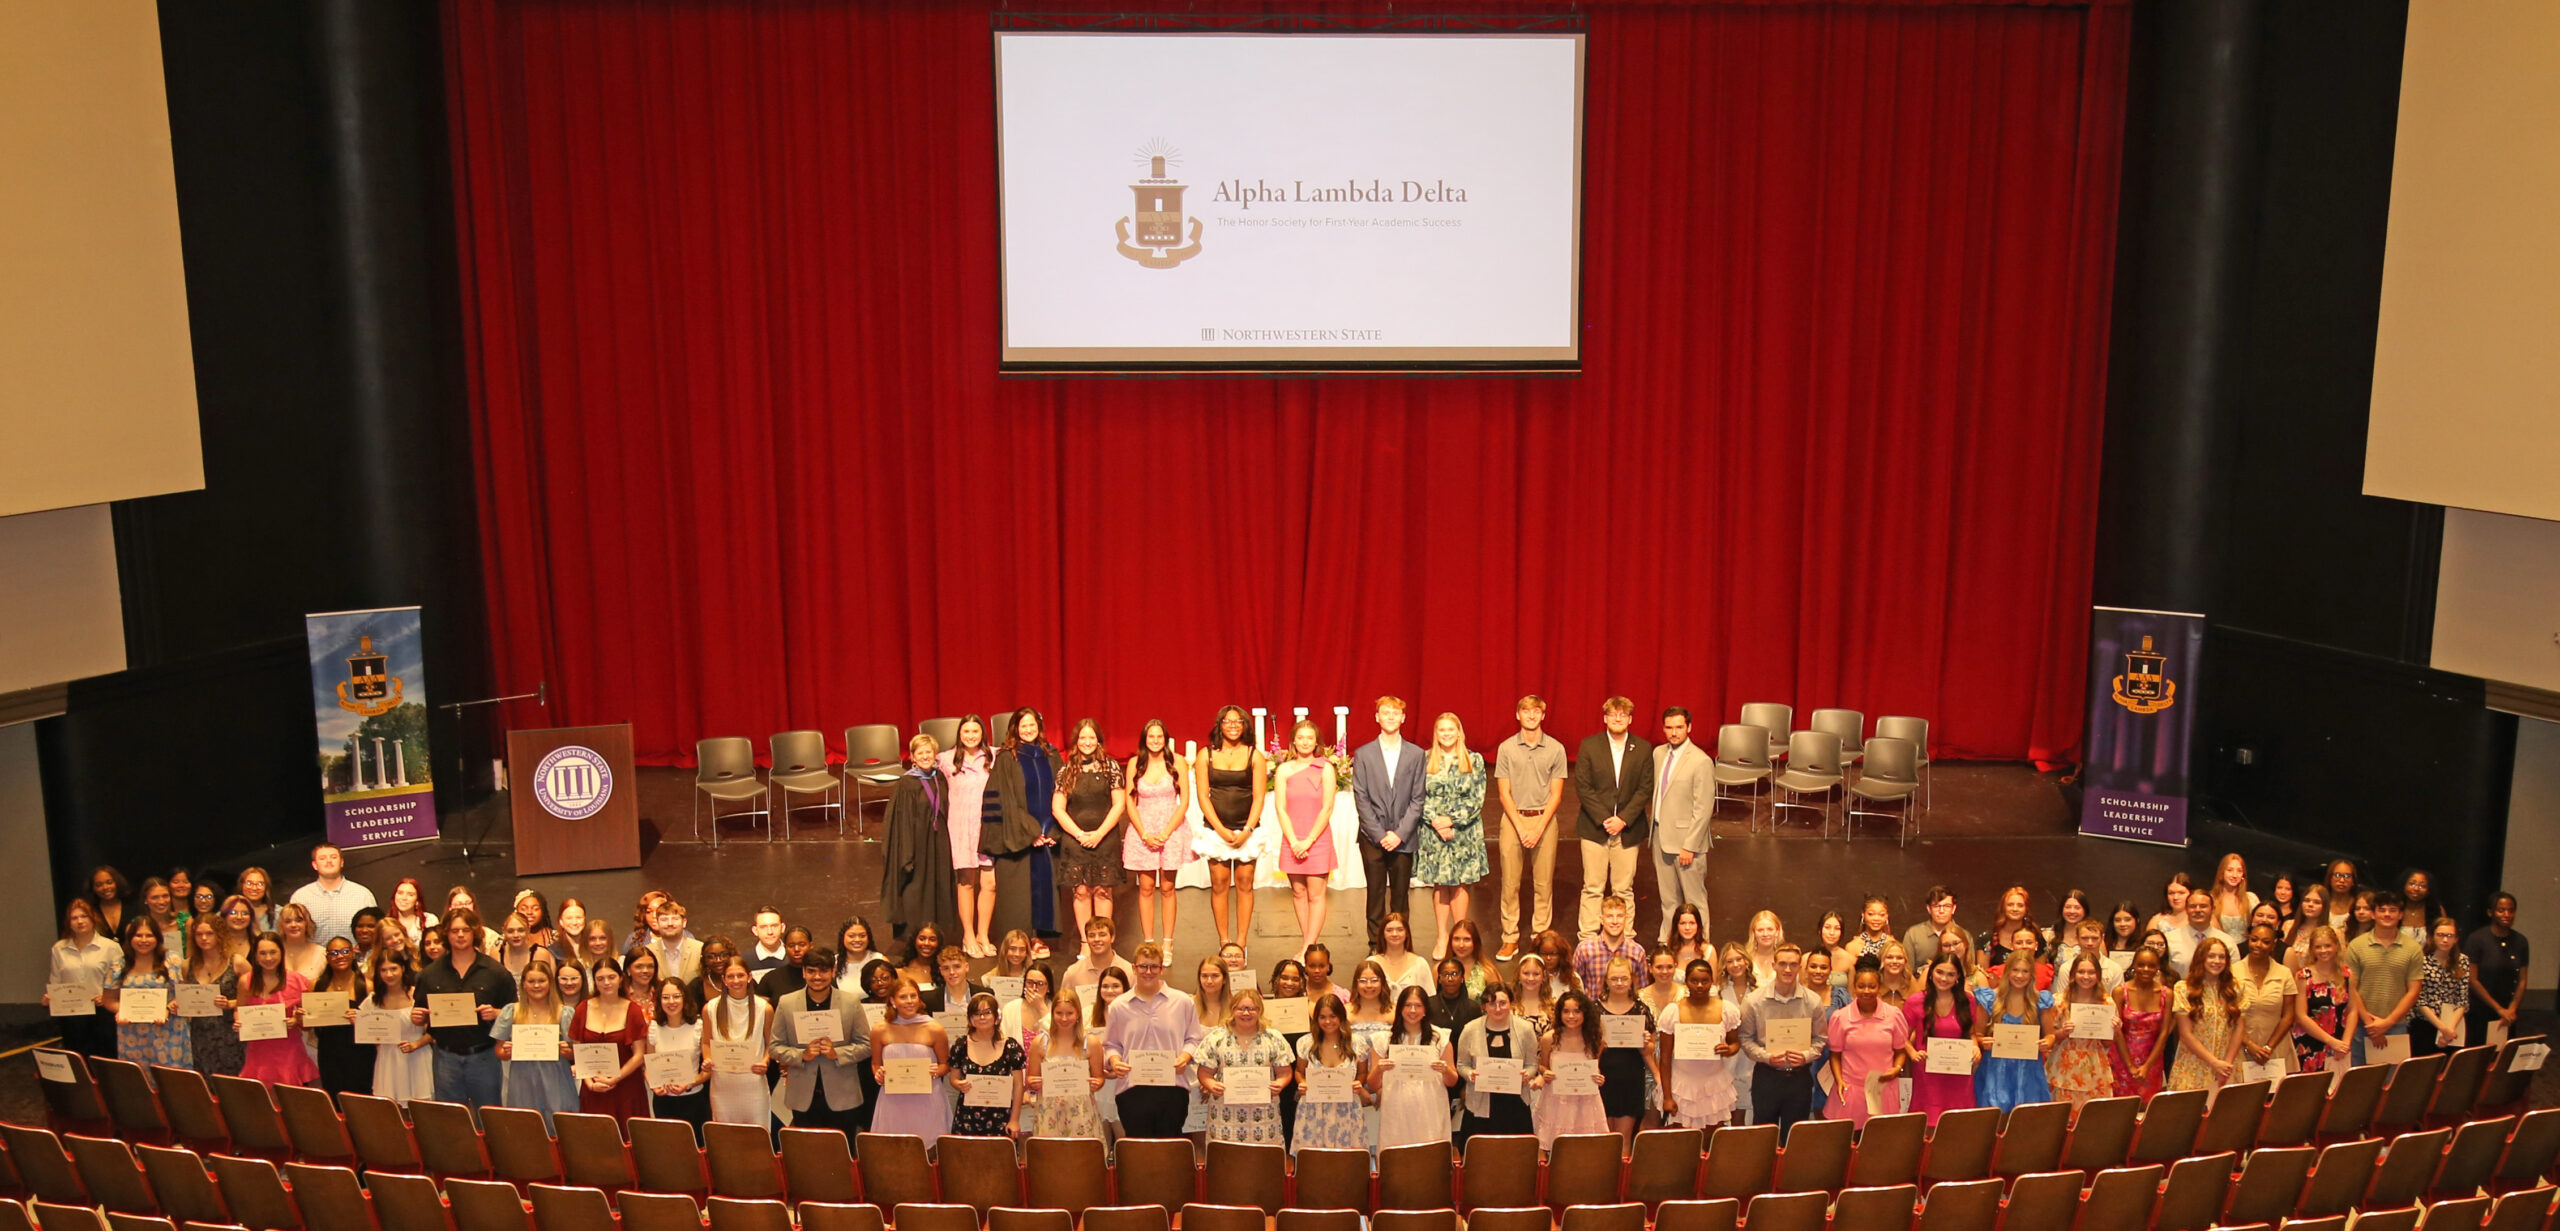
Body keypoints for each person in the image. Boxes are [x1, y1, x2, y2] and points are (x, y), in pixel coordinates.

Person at [1345, 696, 1425, 954]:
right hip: (1372, 838)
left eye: (1395, 713)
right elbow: (1361, 797)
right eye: (1385, 712)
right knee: (1375, 895)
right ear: (1376, 717)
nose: (1390, 717)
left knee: (1401, 896)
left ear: (1403, 718)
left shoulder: (1415, 754)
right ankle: (1375, 946)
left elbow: (1418, 798)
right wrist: (1380, 834)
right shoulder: (1364, 754)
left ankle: (1401, 945)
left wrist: (1399, 834)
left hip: (1404, 838)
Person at [412, 909, 514, 1109]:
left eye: (465, 930)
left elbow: (514, 1011)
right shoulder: (429, 974)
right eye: (454, 930)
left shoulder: (496, 972)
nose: (460, 935)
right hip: (445, 1057)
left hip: (484, 1056)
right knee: (451, 1121)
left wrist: (496, 1013)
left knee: (489, 1116)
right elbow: (420, 1014)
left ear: (474, 932)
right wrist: (417, 1017)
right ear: (446, 934)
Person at [1492, 695, 1569, 961]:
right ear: (1518, 715)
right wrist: (1521, 826)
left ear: (1543, 716)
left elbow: (1556, 795)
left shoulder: (1556, 749)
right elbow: (1504, 793)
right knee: (1510, 883)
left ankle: (1540, 937)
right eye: (1526, 711)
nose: (1531, 716)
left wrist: (1537, 827)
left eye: (1536, 711)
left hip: (1544, 820)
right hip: (1513, 819)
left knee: (1543, 883)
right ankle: (1510, 938)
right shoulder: (1506, 748)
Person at [1098, 942, 1200, 1138]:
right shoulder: (1119, 1006)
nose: (1148, 971)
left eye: (1154, 966)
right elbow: (1111, 1044)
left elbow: (1194, 1039)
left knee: (1170, 1150)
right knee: (1139, 1152)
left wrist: (1185, 1057)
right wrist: (1115, 1061)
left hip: (1173, 1088)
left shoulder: (1183, 1002)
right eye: (1143, 966)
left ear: (1162, 969)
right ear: (1134, 968)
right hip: (1131, 1089)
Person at [1191, 705, 1270, 957]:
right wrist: (1220, 830)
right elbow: (1203, 796)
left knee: (1245, 884)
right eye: (1228, 721)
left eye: (1238, 722)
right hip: (1216, 830)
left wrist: (1247, 830)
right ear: (1220, 725)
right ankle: (1225, 942)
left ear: (1245, 725)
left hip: (1247, 829)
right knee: (1219, 885)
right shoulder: (1206, 755)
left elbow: (1259, 797)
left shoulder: (1254, 756)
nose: (1233, 726)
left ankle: (1241, 943)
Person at [985, 708, 1062, 952]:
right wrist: (1031, 832)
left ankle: (1038, 937)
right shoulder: (1008, 758)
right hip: (1020, 834)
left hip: (1048, 833)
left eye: (1032, 725)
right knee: (1018, 891)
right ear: (1015, 728)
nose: (1028, 729)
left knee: (1044, 886)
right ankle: (1019, 941)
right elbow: (1004, 800)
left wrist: (1052, 831)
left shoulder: (1050, 754)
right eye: (1023, 725)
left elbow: (1063, 793)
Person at [771, 947, 873, 1133]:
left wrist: (838, 1053)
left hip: (842, 1094)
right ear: (803, 972)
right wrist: (802, 1055)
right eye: (811, 971)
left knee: (843, 1153)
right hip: (803, 1095)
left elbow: (866, 1045)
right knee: (808, 1154)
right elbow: (775, 1047)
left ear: (833, 971)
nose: (817, 976)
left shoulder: (851, 1002)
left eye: (823, 971)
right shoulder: (786, 1002)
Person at [883, 734, 961, 950]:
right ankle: (913, 939)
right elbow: (902, 822)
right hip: (916, 845)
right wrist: (907, 854)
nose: (926, 756)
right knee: (916, 890)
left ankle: (936, 934)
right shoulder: (906, 783)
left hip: (938, 843)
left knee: (937, 888)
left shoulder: (939, 778)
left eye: (929, 752)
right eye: (921, 753)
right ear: (913, 758)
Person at [1123, 719, 1195, 954]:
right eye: (1151, 736)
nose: (1155, 741)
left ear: (1165, 739)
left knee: (1167, 887)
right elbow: (1130, 802)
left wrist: (1165, 833)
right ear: (1145, 739)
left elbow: (1184, 801)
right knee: (1145, 887)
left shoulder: (1178, 762)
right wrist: (1144, 833)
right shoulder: (1135, 763)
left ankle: (1167, 944)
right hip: (1143, 830)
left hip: (1170, 830)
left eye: (1159, 737)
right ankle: (1148, 942)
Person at [1738, 944, 1826, 1137]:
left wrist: (1805, 1056)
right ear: (1774, 965)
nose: (1788, 969)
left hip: (1799, 1078)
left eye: (1793, 965)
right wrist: (1766, 1056)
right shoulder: (1754, 1001)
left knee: (1795, 1139)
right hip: (1767, 1077)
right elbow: (1745, 1038)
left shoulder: (1813, 1001)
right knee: (1762, 1137)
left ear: (1799, 968)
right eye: (1783, 964)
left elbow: (1820, 1039)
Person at [1053, 718, 1128, 938]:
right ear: (1076, 741)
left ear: (1099, 740)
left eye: (1091, 737)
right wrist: (1079, 835)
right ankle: (1086, 943)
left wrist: (1098, 834)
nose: (1087, 742)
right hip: (1075, 841)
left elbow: (1119, 805)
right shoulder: (1065, 771)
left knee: (1103, 891)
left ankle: (1103, 941)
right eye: (1082, 737)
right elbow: (1058, 809)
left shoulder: (1110, 767)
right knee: (1081, 892)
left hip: (1105, 839)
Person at [1196, 989, 1295, 1144]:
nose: (1246, 1013)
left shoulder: (1273, 1037)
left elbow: (1285, 1071)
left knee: (1263, 1161)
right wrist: (1211, 1084)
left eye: (1251, 1009)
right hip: (1225, 1115)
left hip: (1263, 1117)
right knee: (1226, 1160)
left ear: (1259, 1010)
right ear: (1232, 1010)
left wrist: (1280, 1083)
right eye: (1240, 1008)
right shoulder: (1216, 1038)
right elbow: (1204, 1072)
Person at [1273, 720, 1338, 954]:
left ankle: (1308, 948)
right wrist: (1293, 841)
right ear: (1293, 741)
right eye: (1301, 738)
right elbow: (1280, 807)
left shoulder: (1326, 768)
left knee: (1315, 893)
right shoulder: (1284, 770)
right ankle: (1307, 942)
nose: (1305, 742)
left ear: (1316, 741)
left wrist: (1308, 841)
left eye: (1310, 738)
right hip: (1292, 839)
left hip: (1317, 838)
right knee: (1298, 892)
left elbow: (1327, 807)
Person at [2341, 889, 2424, 1065]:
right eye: (2382, 910)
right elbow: (2351, 988)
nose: (2387, 914)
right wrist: (2371, 1024)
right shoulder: (2357, 946)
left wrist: (2387, 1023)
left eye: (2393, 910)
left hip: (2397, 1025)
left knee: (2392, 1083)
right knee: (2360, 1081)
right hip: (2361, 1025)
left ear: (2401, 915)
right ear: (2373, 914)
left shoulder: (2413, 948)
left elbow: (2414, 990)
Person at [1825, 958, 1909, 1127]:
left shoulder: (1894, 1015)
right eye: (1861, 986)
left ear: (1879, 988)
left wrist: (1896, 1070)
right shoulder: (1840, 1017)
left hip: (1883, 1089)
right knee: (1849, 1143)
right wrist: (1840, 1080)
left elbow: (1900, 1051)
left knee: (1880, 1141)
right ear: (1854, 988)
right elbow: (1835, 1055)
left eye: (1872, 986)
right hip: (1851, 1090)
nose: (1866, 991)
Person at [492, 961, 576, 1128]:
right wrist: (506, 1052)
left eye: (541, 981)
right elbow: (499, 1051)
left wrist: (567, 1052)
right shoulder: (511, 1011)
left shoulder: (564, 1013)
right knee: (526, 1128)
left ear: (550, 983)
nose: (536, 986)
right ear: (523, 984)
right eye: (531, 981)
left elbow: (576, 1055)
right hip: (522, 1079)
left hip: (557, 1079)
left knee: (560, 1127)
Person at [870, 978, 953, 1145]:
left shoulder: (934, 1028)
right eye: (903, 997)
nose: (909, 1001)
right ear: (892, 1001)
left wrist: (937, 1070)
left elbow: (946, 1064)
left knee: (929, 1150)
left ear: (919, 998)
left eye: (913, 996)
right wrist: (878, 1074)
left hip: (927, 1099)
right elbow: (876, 1064)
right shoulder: (880, 1029)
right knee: (894, 1151)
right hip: (893, 1101)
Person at [1373, 985, 1457, 1147]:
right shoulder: (1384, 1039)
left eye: (1418, 1006)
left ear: (1425, 1009)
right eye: (1407, 1005)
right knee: (1397, 1153)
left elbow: (1452, 1080)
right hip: (1396, 1106)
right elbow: (1374, 1083)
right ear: (1400, 1009)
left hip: (1430, 1105)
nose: (1412, 1010)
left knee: (1430, 1153)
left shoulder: (1440, 1037)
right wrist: (1379, 1069)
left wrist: (1445, 1070)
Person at [944, 716, 999, 959]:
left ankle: (983, 934)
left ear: (982, 733)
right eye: (966, 731)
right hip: (960, 828)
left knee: (990, 884)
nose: (970, 735)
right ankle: (967, 934)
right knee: (966, 882)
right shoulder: (946, 759)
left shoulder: (994, 756)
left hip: (988, 828)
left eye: (975, 731)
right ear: (959, 734)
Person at [108, 916, 192, 1071]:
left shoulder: (172, 960)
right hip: (132, 1034)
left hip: (169, 1030)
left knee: (171, 1081)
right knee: (138, 1081)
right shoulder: (118, 964)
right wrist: (121, 1011)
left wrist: (169, 1008)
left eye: (149, 935)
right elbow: (109, 1000)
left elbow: (185, 994)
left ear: (158, 938)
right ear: (130, 938)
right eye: (138, 935)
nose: (144, 940)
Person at [1591, 955, 1660, 1143]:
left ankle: (1623, 1172)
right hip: (1601, 1078)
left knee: (1623, 1140)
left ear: (1632, 979)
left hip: (1630, 1079)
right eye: (1614, 978)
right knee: (1602, 1140)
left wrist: (1647, 1043)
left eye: (1624, 978)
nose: (1619, 983)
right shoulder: (1594, 1010)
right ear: (1605, 980)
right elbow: (1586, 1049)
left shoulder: (1641, 1010)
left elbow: (1651, 1046)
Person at [237, 933, 318, 1085]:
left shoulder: (297, 980)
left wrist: (296, 1020)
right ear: (255, 955)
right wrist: (238, 1022)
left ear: (282, 952)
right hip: (258, 1051)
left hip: (288, 1050)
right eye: (262, 953)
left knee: (288, 1100)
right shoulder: (245, 981)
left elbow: (308, 1021)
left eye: (273, 952)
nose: (268, 958)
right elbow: (238, 1010)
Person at [1902, 953, 1973, 1124]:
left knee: (1958, 1126)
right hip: (1928, 1074)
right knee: (1928, 1125)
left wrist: (1976, 1048)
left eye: (1951, 974)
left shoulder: (1967, 1000)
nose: (1944, 978)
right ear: (1931, 972)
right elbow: (1901, 1036)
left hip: (1960, 1075)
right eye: (1940, 972)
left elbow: (1972, 1035)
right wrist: (1912, 1053)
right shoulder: (1916, 1001)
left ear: (1958, 977)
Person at [1025, 986, 1105, 1139]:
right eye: (1059, 1013)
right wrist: (1033, 1082)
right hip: (1049, 1111)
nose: (1064, 1018)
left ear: (1078, 1014)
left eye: (1069, 1013)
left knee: (1081, 1157)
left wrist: (1097, 1083)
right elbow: (1031, 1077)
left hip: (1081, 1111)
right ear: (1052, 1013)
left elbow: (1099, 1078)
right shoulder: (1041, 1042)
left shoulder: (1091, 1042)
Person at [1533, 990, 1609, 1149]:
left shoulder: (1596, 1040)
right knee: (1554, 1147)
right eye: (1566, 1011)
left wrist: (1599, 1078)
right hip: (1556, 1101)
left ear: (1585, 1013)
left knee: (1584, 1148)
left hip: (1586, 1102)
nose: (1571, 1016)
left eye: (1577, 1011)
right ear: (1559, 1013)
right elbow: (1541, 1066)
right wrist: (1545, 1073)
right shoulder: (1549, 1039)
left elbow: (1595, 1068)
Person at [1295, 992, 1371, 1151]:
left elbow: (1363, 1073)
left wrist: (1359, 1083)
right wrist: (1302, 1083)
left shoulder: (1357, 1043)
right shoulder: (1305, 1043)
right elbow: (1299, 1071)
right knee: (1313, 1160)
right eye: (1322, 1017)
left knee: (1347, 1160)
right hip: (1313, 1110)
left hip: (1347, 1110)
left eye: (1332, 1016)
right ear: (1316, 1019)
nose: (1328, 1021)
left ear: (1341, 1017)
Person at [704, 955, 772, 1127]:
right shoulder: (710, 1008)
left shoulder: (764, 1008)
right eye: (731, 976)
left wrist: (765, 1061)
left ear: (749, 977)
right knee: (726, 1137)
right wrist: (707, 1059)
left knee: (757, 1138)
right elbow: (706, 1042)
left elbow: (771, 1043)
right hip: (723, 1085)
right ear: (724, 980)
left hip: (753, 1083)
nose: (736, 981)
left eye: (740, 975)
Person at [49, 899, 122, 1058]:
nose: (79, 921)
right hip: (72, 1015)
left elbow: (121, 981)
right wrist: (51, 997)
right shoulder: (59, 949)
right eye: (74, 918)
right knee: (77, 1060)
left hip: (102, 1013)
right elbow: (55, 981)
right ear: (68, 923)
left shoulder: (110, 947)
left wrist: (108, 997)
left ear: (93, 918)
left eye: (84, 916)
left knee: (105, 1060)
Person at [948, 992, 1025, 1139]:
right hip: (967, 1117)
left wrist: (1014, 1120)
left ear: (997, 1017)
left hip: (1000, 1118)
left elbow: (1019, 1086)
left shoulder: (1010, 1046)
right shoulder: (960, 1045)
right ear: (970, 1019)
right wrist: (959, 1084)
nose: (982, 1017)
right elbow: (953, 1078)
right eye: (977, 1013)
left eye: (987, 1012)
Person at [2044, 953, 2115, 1110]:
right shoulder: (2058, 1001)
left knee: (2093, 1117)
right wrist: (2063, 1032)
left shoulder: (2106, 1002)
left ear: (2098, 975)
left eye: (2091, 972)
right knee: (2063, 1119)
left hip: (2095, 1068)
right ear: (2073, 974)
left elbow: (2107, 1043)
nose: (2086, 976)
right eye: (2081, 972)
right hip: (2064, 1067)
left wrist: (2114, 1030)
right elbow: (2048, 1037)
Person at [360, 949, 432, 1105]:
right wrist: (356, 1020)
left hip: (417, 1057)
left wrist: (416, 1044)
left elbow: (435, 1031)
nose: (389, 974)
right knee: (392, 1110)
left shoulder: (417, 995)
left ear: (403, 968)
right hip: (387, 1060)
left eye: (393, 969)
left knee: (422, 1109)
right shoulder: (373, 1000)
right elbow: (365, 1032)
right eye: (383, 970)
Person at [2167, 938, 2239, 1092]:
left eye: (2221, 957)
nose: (2217, 961)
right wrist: (2214, 1063)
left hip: (2227, 1064)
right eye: (2211, 956)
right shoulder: (2183, 988)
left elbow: (2239, 1029)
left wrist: (2225, 1065)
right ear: (2201, 958)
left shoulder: (2235, 988)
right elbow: (2185, 1034)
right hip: (2194, 1064)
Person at [307, 937, 373, 1098]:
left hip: (360, 1052)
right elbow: (307, 1025)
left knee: (360, 1100)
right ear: (327, 957)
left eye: (344, 951)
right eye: (334, 953)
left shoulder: (366, 984)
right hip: (329, 1052)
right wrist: (302, 1016)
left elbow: (375, 1022)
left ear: (352, 954)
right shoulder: (317, 985)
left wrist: (361, 1019)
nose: (340, 956)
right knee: (334, 1096)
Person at [179, 917, 245, 1076]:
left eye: (209, 933)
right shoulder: (187, 965)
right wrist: (179, 1005)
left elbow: (256, 997)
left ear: (220, 934)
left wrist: (230, 1003)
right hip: (200, 1035)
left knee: (233, 1087)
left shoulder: (237, 962)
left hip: (231, 1035)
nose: (204, 938)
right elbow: (185, 997)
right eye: (199, 934)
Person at [2233, 923, 2300, 1076]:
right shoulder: (2233, 971)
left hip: (2276, 1047)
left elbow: (2289, 1015)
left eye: (2265, 941)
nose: (2258, 945)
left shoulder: (2284, 973)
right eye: (2254, 940)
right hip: (2240, 1047)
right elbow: (2228, 1014)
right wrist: (2249, 1044)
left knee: (2278, 1098)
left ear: (2273, 944)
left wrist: (2269, 1047)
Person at [647, 978, 711, 1136]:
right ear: (659, 1000)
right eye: (665, 997)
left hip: (694, 1099)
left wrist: (689, 1083)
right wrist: (653, 1085)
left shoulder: (699, 1027)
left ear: (685, 998)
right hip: (663, 1102)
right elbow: (647, 1065)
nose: (671, 1002)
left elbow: (710, 1070)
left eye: (676, 996)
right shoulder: (654, 1027)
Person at [2291, 925, 2358, 1074]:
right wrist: (2330, 1042)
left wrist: (2345, 1043)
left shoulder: (2348, 975)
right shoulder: (2303, 976)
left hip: (2340, 1044)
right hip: (2310, 1044)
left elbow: (2353, 1010)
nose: (2323, 951)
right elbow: (2301, 1015)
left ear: (2336, 946)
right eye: (2318, 947)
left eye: (2327, 946)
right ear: (2312, 949)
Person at [2464, 892, 2528, 1048]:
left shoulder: (2521, 941)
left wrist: (2511, 1009)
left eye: (2511, 910)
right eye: (2501, 910)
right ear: (2490, 912)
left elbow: (2522, 979)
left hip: (2508, 1012)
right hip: (2480, 1009)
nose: (2506, 914)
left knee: (2501, 1057)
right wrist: (2498, 1009)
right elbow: (2472, 979)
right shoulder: (2477, 939)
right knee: (2478, 1056)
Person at [287, 844, 377, 945]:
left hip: (355, 958)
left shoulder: (362, 894)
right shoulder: (300, 897)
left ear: (341, 862)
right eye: (322, 858)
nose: (329, 861)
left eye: (333, 857)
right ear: (314, 865)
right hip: (315, 959)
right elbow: (292, 934)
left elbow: (376, 932)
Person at [2111, 948, 2170, 1098]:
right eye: (2141, 965)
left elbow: (2164, 1033)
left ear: (2158, 968)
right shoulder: (2120, 992)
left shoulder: (2166, 994)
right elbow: (2116, 1031)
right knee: (2121, 1107)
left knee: (2148, 1109)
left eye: (2151, 966)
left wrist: (2147, 1066)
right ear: (2134, 966)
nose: (2146, 969)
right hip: (2122, 1060)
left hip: (2152, 1060)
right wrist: (2130, 1066)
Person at [2414, 918, 2471, 1057]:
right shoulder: (2420, 960)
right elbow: (2419, 1000)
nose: (2445, 940)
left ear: (2456, 939)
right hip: (2426, 1023)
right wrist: (2442, 1028)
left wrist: (2449, 1030)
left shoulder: (2462, 960)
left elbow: (2462, 1000)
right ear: (2432, 936)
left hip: (2453, 1023)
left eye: (2450, 936)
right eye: (2440, 935)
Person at [1574, 897, 1647, 1000]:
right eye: (1609, 916)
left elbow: (1642, 992)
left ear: (1626, 918)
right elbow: (1575, 989)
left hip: (1627, 1014)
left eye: (1620, 916)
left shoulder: (1637, 952)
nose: (1615, 921)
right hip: (1593, 1013)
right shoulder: (1585, 950)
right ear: (1601, 919)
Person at [2163, 890, 2237, 980]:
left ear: (2213, 909)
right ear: (2186, 910)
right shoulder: (2169, 940)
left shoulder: (2227, 942)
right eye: (2193, 906)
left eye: (2203, 906)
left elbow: (2235, 976)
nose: (2198, 910)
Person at [1061, 917, 1130, 997]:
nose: (1096, 939)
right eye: (1091, 935)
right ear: (1086, 939)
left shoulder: (1129, 972)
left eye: (1102, 935)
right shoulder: (1073, 973)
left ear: (1112, 937)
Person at [1373, 914, 1431, 995]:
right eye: (1389, 930)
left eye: (1400, 930)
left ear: (1407, 933)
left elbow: (1429, 997)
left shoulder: (1420, 964)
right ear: (1383, 934)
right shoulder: (1372, 963)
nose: (1394, 934)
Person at [1427, 958, 1482, 1037]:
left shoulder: (1473, 1008)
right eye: (1446, 974)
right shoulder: (1429, 1005)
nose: (1450, 979)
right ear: (1439, 979)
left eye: (1455, 974)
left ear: (1462, 978)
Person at [1904, 888, 1957, 966]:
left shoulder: (1964, 936)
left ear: (1953, 909)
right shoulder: (1913, 934)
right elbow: (1907, 971)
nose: (1941, 911)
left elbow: (1968, 969)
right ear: (1929, 909)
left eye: (1947, 906)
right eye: (1936, 906)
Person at [279, 905, 326, 985]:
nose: (293, 925)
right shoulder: (273, 952)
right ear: (281, 925)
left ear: (307, 923)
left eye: (299, 920)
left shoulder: (321, 953)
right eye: (288, 921)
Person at [385, 878, 436, 946]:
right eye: (400, 893)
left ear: (417, 900)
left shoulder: (429, 920)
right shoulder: (386, 923)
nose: (404, 898)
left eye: (410, 895)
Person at [2401, 869, 2453, 934]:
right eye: (2412, 884)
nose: (2416, 889)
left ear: (2428, 890)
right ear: (2404, 886)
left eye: (2422, 886)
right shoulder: (2395, 908)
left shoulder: (2437, 909)